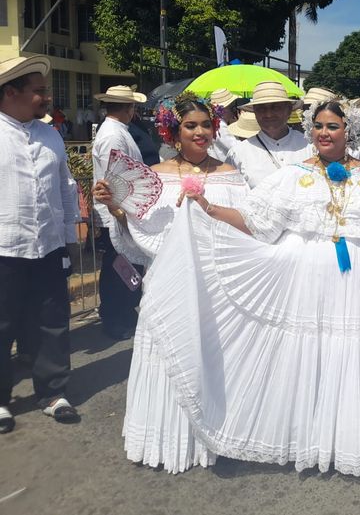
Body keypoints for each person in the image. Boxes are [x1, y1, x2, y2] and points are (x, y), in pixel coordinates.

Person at [100, 98, 360, 475]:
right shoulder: (291, 176)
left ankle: (352, 437)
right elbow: (256, 222)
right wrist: (209, 209)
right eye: (318, 126)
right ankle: (310, 435)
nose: (324, 133)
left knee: (356, 356)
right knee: (310, 358)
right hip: (306, 285)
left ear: (351, 131)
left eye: (333, 126)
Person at [94, 91, 248, 471]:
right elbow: (144, 234)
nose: (199, 132)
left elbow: (247, 225)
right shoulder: (156, 177)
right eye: (189, 125)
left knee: (214, 351)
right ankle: (166, 436)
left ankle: (217, 431)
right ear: (172, 133)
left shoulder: (231, 176)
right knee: (167, 353)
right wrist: (116, 207)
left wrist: (210, 210)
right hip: (167, 277)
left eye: (206, 124)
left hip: (216, 280)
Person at [0, 55, 81, 433]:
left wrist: (70, 238)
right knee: (2, 325)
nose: (46, 98)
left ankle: (52, 393)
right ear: (10, 93)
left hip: (47, 246)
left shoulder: (50, 135)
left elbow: (66, 188)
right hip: (5, 248)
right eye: (39, 92)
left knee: (51, 321)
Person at [92, 85, 148, 340]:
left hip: (121, 209)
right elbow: (114, 177)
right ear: (129, 108)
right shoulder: (114, 135)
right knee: (118, 268)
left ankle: (123, 311)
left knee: (125, 267)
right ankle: (115, 316)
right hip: (116, 211)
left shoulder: (116, 132)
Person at [226, 81, 311, 188]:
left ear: (288, 110)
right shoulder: (239, 153)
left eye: (276, 107)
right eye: (261, 108)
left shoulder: (308, 146)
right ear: (255, 112)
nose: (268, 114)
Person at [208, 88, 240, 161]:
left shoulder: (216, 122)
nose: (234, 111)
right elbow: (236, 147)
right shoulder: (220, 125)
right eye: (232, 108)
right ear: (224, 110)